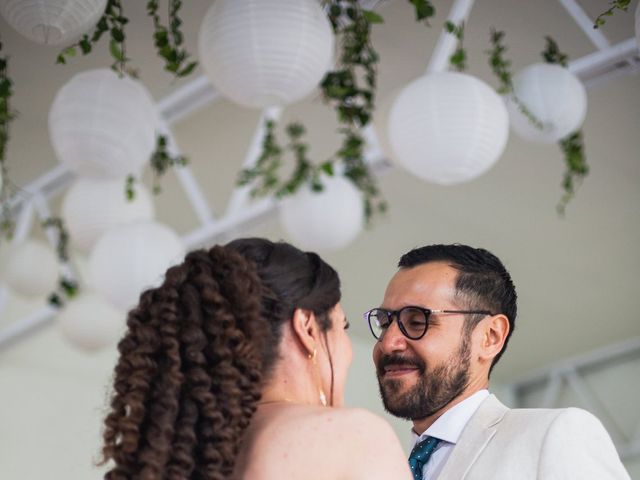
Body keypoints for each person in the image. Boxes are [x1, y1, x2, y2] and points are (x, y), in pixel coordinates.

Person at [100, 237, 411, 480]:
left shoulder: (186, 458)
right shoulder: (352, 434)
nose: (349, 349)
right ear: (307, 328)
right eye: (342, 327)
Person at [366, 243, 630, 480]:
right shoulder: (386, 468)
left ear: (490, 337)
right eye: (384, 322)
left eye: (416, 321)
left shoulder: (553, 435)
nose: (387, 343)